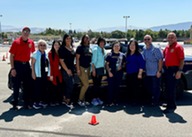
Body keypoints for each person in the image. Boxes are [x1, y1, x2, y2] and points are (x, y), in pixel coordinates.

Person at [9, 27, 35, 110]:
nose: (26, 33)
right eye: (25, 31)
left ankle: (26, 103)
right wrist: (13, 68)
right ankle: (15, 103)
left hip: (26, 65)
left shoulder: (31, 42)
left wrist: (33, 67)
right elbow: (11, 56)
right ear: (22, 32)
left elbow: (33, 55)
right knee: (16, 85)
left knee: (27, 85)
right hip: (17, 65)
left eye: (28, 31)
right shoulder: (16, 42)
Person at [163, 32, 184, 113]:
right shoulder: (167, 47)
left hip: (174, 69)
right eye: (169, 37)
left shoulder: (178, 47)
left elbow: (182, 59)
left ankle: (171, 107)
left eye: (172, 37)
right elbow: (163, 55)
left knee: (171, 88)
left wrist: (179, 71)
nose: (170, 39)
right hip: (167, 70)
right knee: (168, 88)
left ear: (175, 38)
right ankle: (169, 103)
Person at [142, 35, 163, 106]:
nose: (147, 40)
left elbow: (160, 60)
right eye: (145, 39)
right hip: (147, 73)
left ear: (151, 40)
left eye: (148, 39)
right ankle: (151, 101)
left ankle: (156, 102)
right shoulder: (144, 48)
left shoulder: (156, 49)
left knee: (156, 88)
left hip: (155, 72)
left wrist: (159, 71)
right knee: (149, 88)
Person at [105, 41, 126, 106]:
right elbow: (107, 64)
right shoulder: (109, 55)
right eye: (115, 46)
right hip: (111, 73)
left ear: (120, 47)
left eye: (118, 46)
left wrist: (121, 67)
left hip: (119, 74)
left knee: (117, 87)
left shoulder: (122, 55)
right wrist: (109, 72)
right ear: (113, 47)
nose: (117, 47)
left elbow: (124, 64)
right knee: (110, 88)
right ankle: (110, 101)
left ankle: (116, 101)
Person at [31, 39, 50, 109]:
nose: (42, 46)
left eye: (44, 45)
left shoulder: (46, 53)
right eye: (41, 45)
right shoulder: (35, 53)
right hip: (38, 73)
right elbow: (32, 64)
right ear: (38, 46)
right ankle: (36, 102)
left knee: (43, 88)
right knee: (37, 88)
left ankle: (41, 101)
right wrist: (33, 73)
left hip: (44, 74)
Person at [126, 39, 145, 105]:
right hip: (128, 74)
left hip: (136, 74)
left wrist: (140, 74)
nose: (132, 46)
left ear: (136, 46)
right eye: (131, 45)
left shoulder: (138, 54)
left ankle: (135, 101)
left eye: (134, 45)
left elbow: (142, 65)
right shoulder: (128, 54)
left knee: (135, 88)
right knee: (129, 87)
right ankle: (130, 100)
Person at [58, 34, 75, 108]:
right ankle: (66, 100)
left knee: (69, 85)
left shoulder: (72, 48)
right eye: (67, 38)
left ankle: (66, 99)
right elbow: (61, 61)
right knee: (70, 85)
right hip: (66, 70)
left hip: (72, 69)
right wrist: (67, 70)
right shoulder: (62, 49)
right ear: (64, 39)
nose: (68, 40)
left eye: (70, 38)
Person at [76, 34, 92, 106]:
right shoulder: (80, 47)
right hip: (82, 67)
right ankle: (80, 100)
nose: (86, 39)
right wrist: (78, 69)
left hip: (88, 68)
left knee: (83, 85)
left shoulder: (89, 47)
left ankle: (83, 100)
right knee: (86, 85)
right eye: (85, 38)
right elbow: (77, 59)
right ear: (82, 39)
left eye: (87, 38)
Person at [91, 37, 106, 106]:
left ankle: (98, 98)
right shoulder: (95, 49)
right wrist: (93, 70)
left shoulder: (103, 50)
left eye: (103, 42)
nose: (102, 43)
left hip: (101, 69)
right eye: (101, 42)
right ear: (98, 43)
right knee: (95, 85)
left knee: (99, 85)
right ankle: (94, 99)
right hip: (96, 69)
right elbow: (93, 61)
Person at [48, 40, 63, 106]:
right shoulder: (51, 53)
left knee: (59, 87)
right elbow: (50, 64)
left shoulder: (60, 53)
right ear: (53, 46)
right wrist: (51, 75)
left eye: (58, 45)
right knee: (53, 87)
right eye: (55, 45)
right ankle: (52, 101)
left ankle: (58, 100)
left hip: (59, 73)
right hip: (53, 72)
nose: (56, 46)